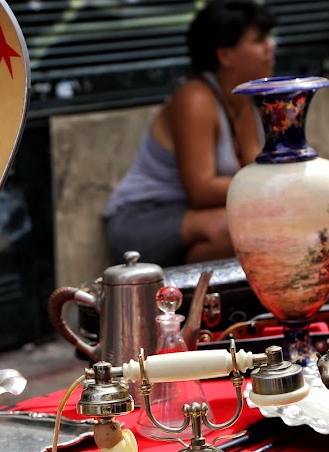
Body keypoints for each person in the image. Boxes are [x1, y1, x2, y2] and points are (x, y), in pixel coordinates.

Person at [103, 0, 276, 267]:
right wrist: (276, 186)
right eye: (258, 40)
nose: (270, 47)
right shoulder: (195, 98)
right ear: (225, 55)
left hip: (197, 217)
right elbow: (201, 189)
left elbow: (254, 169)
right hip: (144, 219)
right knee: (237, 229)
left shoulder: (246, 99)